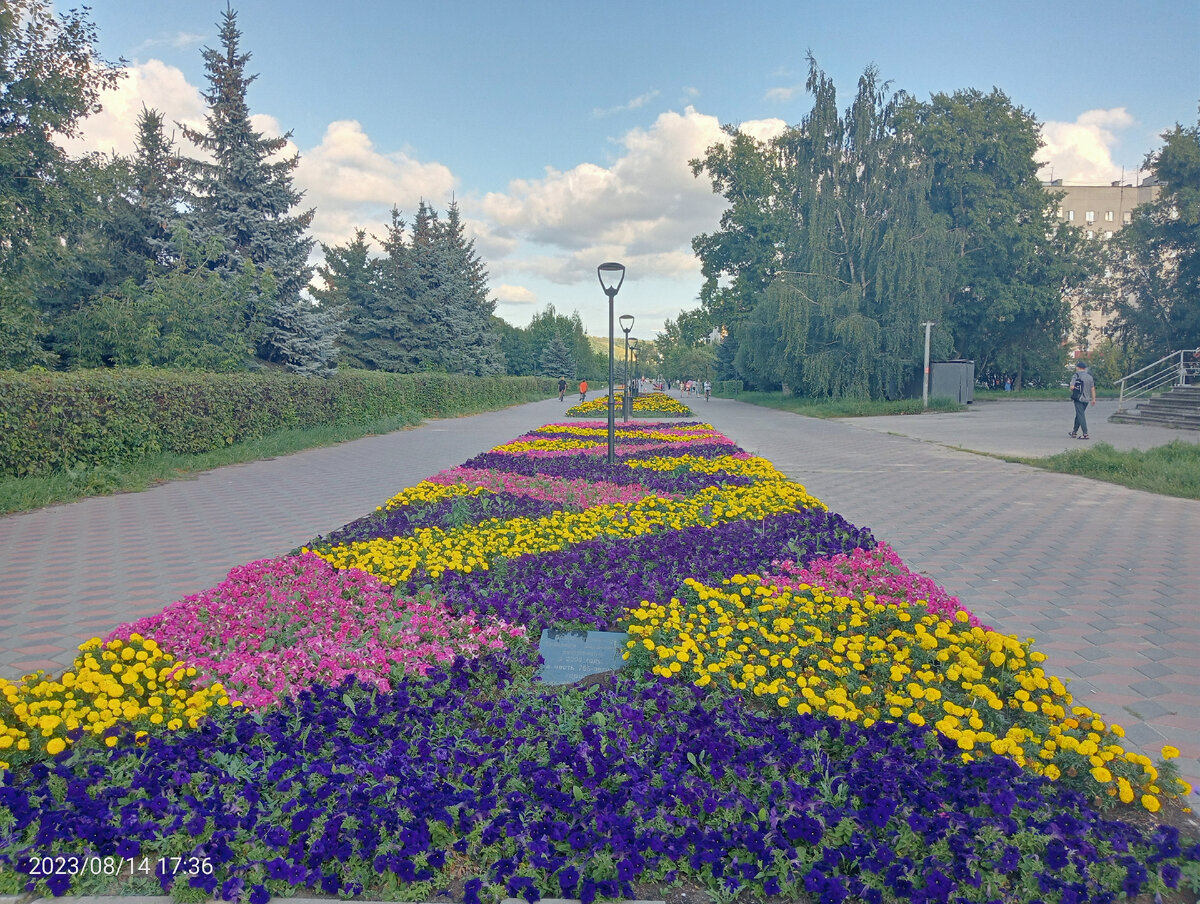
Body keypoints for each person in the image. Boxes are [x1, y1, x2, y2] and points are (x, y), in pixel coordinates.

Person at [1068, 360, 1096, 439]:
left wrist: (1073, 388)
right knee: (1079, 415)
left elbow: (1072, 387)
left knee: (1081, 415)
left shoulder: (1076, 375)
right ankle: (1074, 432)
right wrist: (1093, 399)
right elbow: (1092, 389)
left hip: (1078, 398)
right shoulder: (1089, 377)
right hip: (1087, 399)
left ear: (1078, 367)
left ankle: (1085, 434)